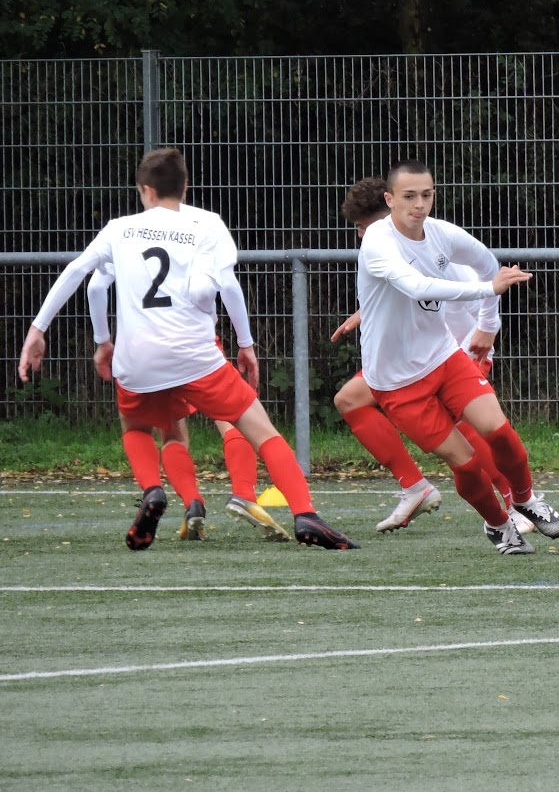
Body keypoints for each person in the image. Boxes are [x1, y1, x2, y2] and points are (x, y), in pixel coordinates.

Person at [17, 148, 357, 551]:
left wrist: (39, 330)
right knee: (261, 429)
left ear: (145, 190)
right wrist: (246, 345)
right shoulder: (206, 225)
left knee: (136, 428)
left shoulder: (119, 229)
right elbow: (225, 286)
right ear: (185, 187)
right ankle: (305, 514)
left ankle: (152, 490)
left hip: (137, 357)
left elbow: (80, 273)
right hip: (196, 355)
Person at [356, 159, 559, 555]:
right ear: (390, 199)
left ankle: (525, 499)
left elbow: (486, 264)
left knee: (499, 431)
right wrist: (488, 289)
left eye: (426, 195)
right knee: (466, 463)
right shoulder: (378, 241)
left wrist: (489, 322)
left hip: (444, 357)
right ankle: (499, 525)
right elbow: (417, 286)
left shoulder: (441, 233)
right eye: (409, 196)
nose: (419, 204)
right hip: (396, 383)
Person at [332, 177, 533, 535]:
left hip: (460, 347)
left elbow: (479, 277)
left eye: (362, 226)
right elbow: (402, 291)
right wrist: (368, 311)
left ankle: (514, 504)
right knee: (349, 399)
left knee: (471, 427)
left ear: (386, 214)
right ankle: (415, 486)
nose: (360, 235)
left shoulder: (426, 246)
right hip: (415, 358)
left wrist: (488, 325)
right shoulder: (389, 246)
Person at [86, 212, 291, 543]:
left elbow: (96, 286)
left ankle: (189, 500)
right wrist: (245, 342)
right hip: (195, 342)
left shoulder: (127, 235)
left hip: (143, 347)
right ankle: (244, 493)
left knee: (167, 432)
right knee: (234, 419)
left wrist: (102, 340)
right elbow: (225, 285)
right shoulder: (198, 230)